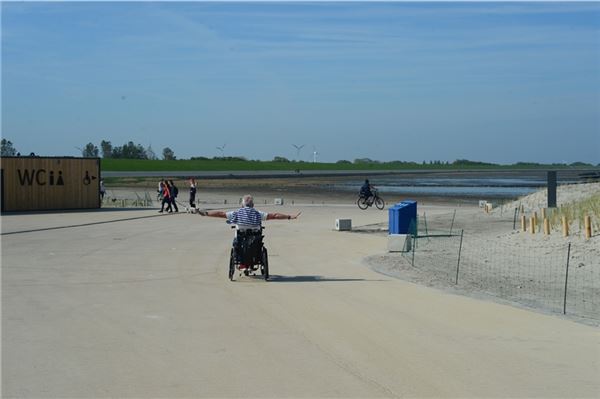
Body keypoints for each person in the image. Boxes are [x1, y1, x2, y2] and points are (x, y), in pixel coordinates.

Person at [198, 194, 301, 268]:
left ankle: (241, 261)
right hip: (255, 240)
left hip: (240, 238)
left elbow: (220, 214)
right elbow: (274, 215)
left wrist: (206, 213)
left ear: (242, 204)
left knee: (236, 243)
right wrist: (289, 216)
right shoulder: (258, 214)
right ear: (253, 205)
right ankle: (254, 261)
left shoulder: (237, 213)